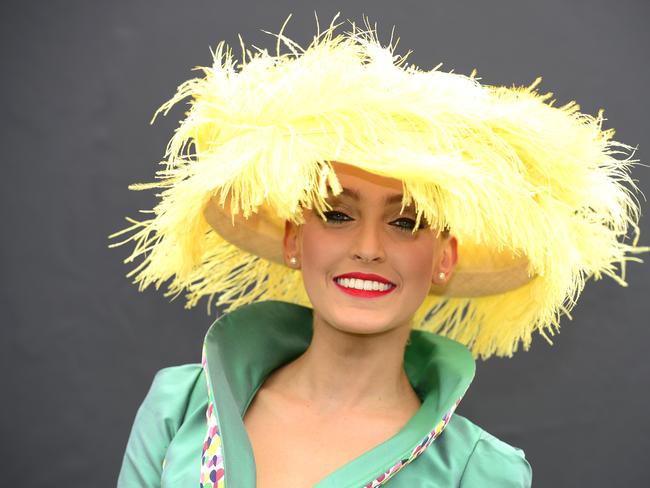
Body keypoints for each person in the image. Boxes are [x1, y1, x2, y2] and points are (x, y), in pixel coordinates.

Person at [112, 20, 645, 488]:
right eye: (338, 214)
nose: (368, 249)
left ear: (445, 258)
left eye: (406, 222)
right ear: (295, 240)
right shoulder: (179, 408)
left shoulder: (480, 472)